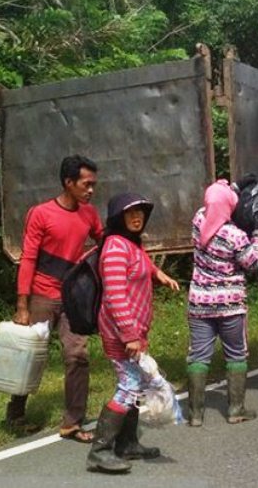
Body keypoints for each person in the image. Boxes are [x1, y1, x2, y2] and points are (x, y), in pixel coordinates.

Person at [8, 155, 103, 441]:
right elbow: (28, 259)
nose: (91, 190)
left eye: (93, 185)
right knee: (30, 354)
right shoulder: (41, 214)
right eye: (86, 184)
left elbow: (106, 241)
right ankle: (15, 414)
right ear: (68, 182)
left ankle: (73, 422)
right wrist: (22, 305)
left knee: (78, 355)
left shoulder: (89, 214)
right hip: (42, 294)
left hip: (73, 298)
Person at [86, 193, 179, 473]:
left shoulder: (130, 243)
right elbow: (115, 296)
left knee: (136, 385)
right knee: (128, 386)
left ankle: (127, 444)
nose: (137, 218)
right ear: (118, 218)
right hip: (121, 333)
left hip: (133, 332)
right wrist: (129, 335)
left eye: (140, 213)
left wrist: (157, 273)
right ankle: (100, 451)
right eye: (130, 213)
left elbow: (141, 263)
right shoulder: (115, 247)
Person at [186, 180, 258, 427]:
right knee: (235, 354)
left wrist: (231, 188)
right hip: (230, 304)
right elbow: (252, 263)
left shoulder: (198, 221)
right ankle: (235, 409)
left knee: (198, 356)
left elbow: (215, 201)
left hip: (199, 302)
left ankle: (195, 414)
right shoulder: (235, 235)